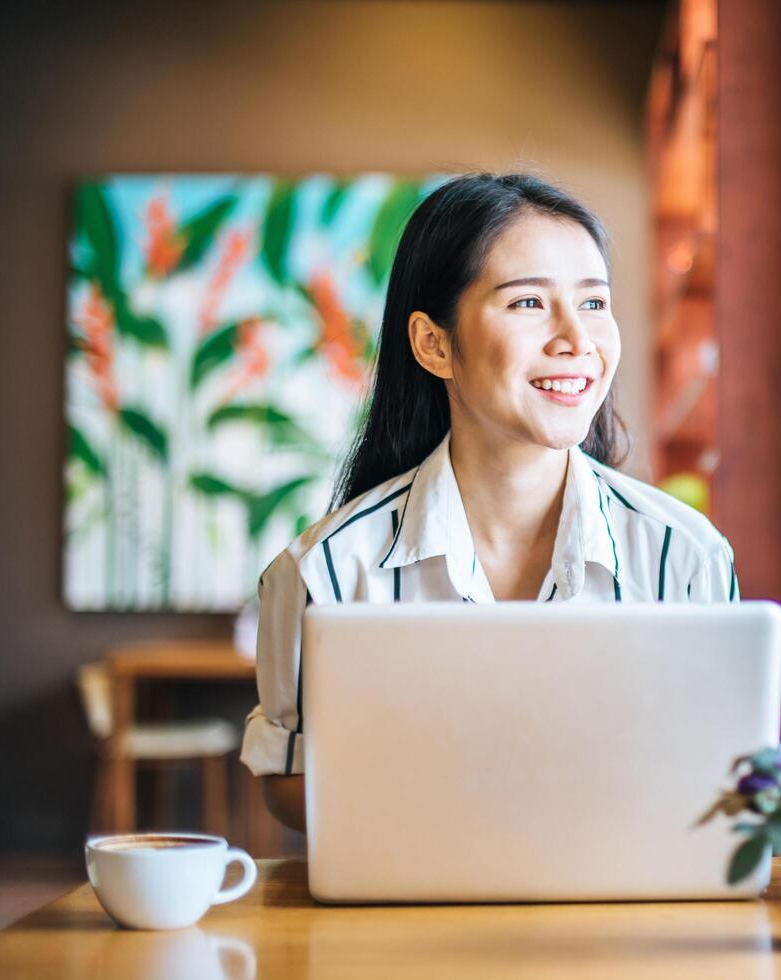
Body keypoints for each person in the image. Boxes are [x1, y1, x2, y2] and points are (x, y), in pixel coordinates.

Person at [240, 174, 739, 831]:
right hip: (405, 922)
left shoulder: (687, 556)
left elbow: (732, 780)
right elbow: (288, 783)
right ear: (433, 344)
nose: (576, 341)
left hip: (626, 922)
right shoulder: (325, 569)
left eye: (593, 303)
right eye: (528, 303)